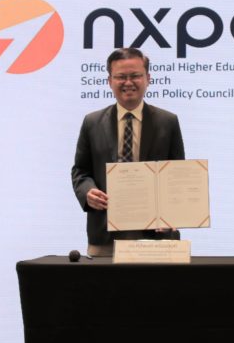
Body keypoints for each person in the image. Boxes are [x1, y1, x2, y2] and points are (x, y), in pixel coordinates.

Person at [72, 48, 185, 256]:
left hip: (157, 236)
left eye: (135, 76)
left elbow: (177, 176)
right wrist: (87, 192)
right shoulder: (92, 122)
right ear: (109, 81)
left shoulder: (168, 122)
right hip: (104, 235)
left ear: (148, 78)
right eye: (121, 77)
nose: (128, 82)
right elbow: (80, 171)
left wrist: (172, 213)